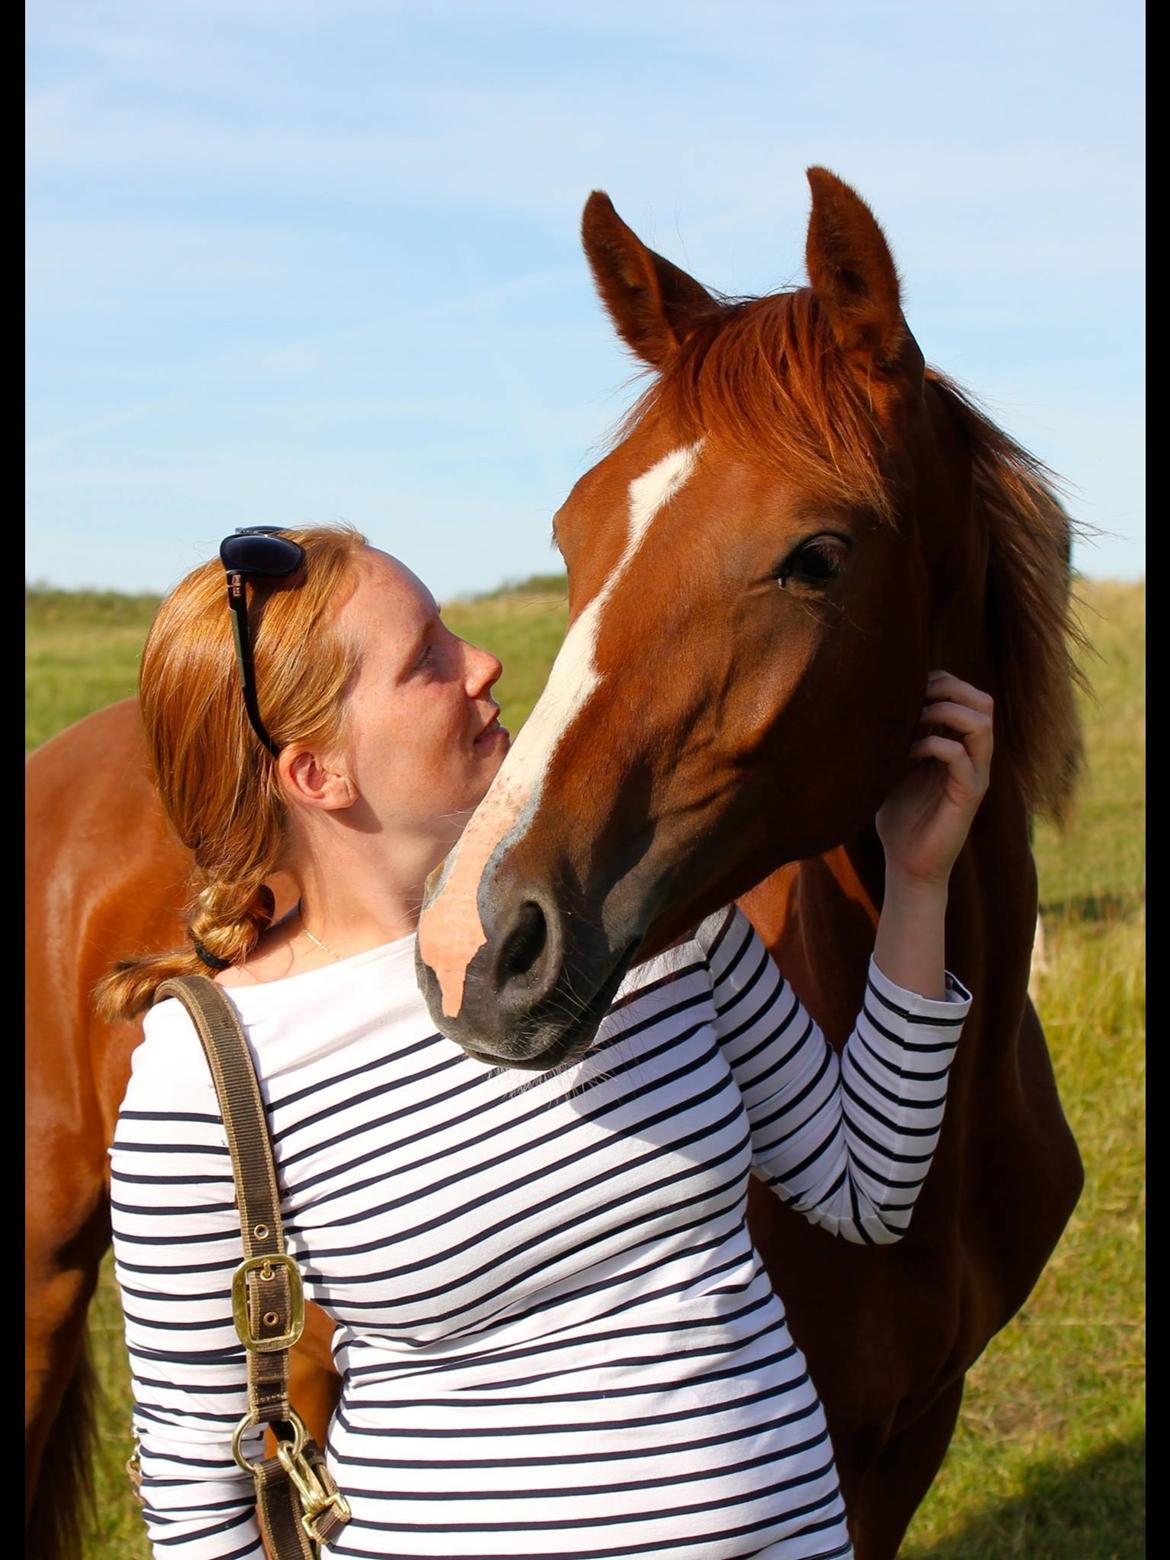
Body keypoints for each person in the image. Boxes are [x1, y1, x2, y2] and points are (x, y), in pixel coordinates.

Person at [99, 522, 991, 1560]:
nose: (484, 665)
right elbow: (201, 1487)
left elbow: (864, 1188)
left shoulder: (643, 917)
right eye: (427, 659)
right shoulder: (207, 1078)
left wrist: (918, 880)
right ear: (318, 775)